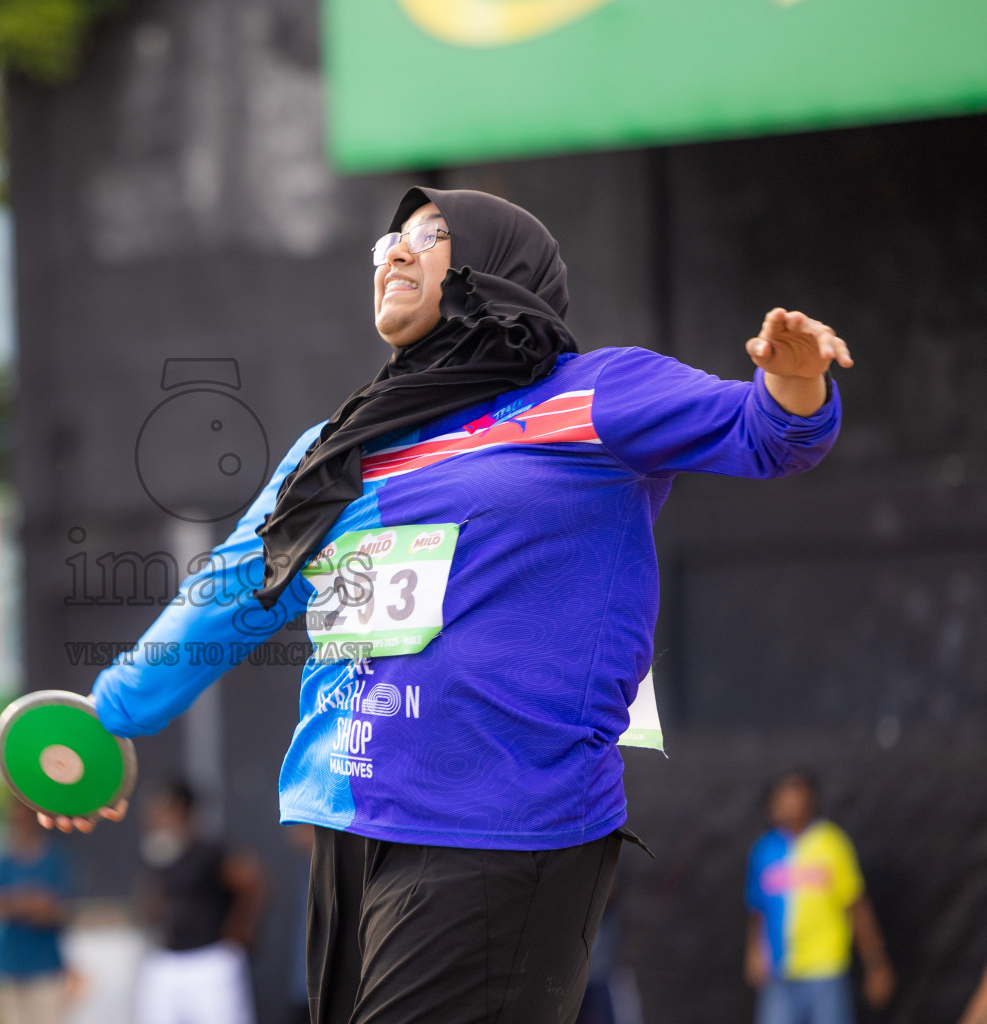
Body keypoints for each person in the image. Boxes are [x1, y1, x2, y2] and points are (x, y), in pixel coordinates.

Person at [50, 187, 852, 1022]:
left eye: (427, 237)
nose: (393, 253)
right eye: (384, 243)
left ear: (494, 270)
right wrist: (109, 714)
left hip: (503, 828)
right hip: (346, 824)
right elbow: (229, 591)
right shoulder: (336, 449)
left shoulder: (595, 396)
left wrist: (794, 382)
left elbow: (769, 434)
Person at [745, 771, 894, 1024]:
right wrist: (753, 951)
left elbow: (856, 906)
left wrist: (876, 964)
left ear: (809, 800)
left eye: (795, 796)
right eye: (782, 798)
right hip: (780, 972)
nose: (789, 805)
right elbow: (758, 908)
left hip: (825, 969)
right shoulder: (764, 849)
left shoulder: (832, 843)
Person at [133, 781, 266, 1024]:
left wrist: (240, 931)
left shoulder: (210, 851)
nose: (157, 817)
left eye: (165, 809)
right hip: (166, 960)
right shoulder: (156, 854)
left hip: (211, 960)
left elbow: (253, 882)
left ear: (184, 810)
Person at [0, 799, 74, 1024]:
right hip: (8, 966)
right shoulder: (2, 861)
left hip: (45, 967)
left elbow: (56, 910)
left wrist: (14, 903)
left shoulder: (54, 859)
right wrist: (31, 901)